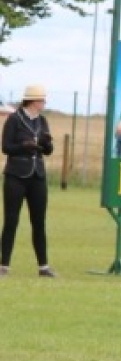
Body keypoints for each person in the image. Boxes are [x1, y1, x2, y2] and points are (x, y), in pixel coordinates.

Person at [2, 85, 57, 277]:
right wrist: (23, 146)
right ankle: (4, 265)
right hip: (16, 175)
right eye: (42, 100)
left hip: (37, 176)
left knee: (39, 221)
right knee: (11, 220)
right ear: (33, 101)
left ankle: (43, 266)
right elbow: (6, 147)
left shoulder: (42, 121)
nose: (44, 103)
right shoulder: (14, 120)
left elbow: (47, 151)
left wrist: (46, 144)